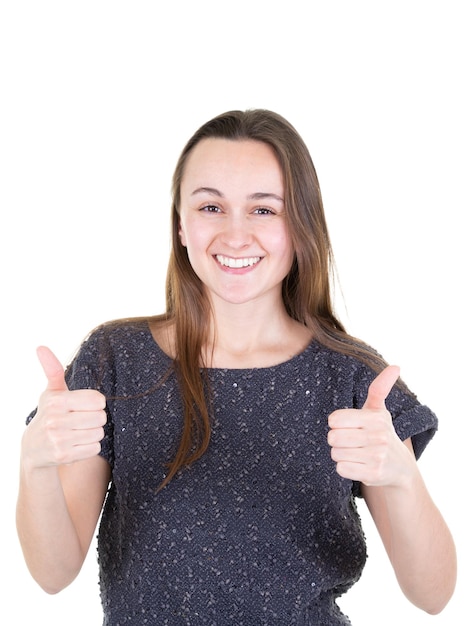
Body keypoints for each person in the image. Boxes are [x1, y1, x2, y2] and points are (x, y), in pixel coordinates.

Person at [16, 109, 456, 626]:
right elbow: (53, 573)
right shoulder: (115, 360)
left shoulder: (354, 379)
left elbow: (434, 594)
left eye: (265, 211)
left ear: (300, 225)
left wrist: (403, 478)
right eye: (211, 206)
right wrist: (35, 465)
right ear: (181, 225)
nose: (235, 234)